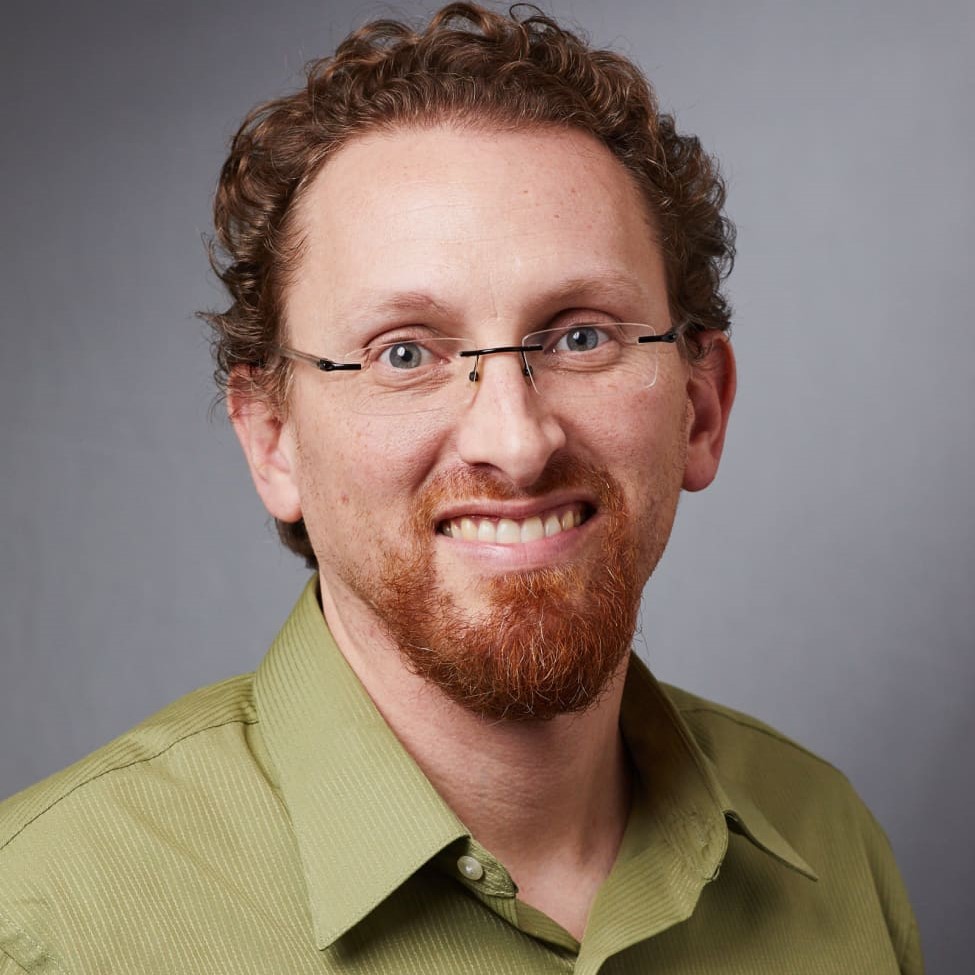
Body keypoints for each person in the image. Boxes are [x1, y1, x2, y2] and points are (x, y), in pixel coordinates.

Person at [0, 3, 922, 972]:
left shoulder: (829, 849)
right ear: (272, 440)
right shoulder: (46, 925)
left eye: (580, 336)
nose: (515, 443)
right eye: (404, 352)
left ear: (701, 408)